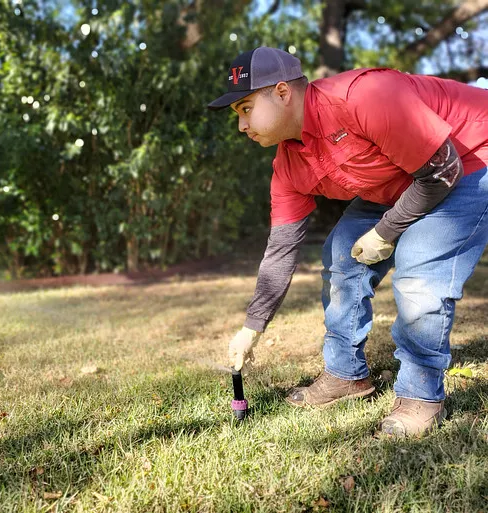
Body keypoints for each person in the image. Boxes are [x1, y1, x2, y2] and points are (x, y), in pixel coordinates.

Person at [208, 46, 488, 437]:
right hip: (405, 177)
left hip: (469, 155)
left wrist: (386, 231)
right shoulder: (288, 164)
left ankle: (421, 397)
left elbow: (441, 170)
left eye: (246, 108)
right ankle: (346, 376)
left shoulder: (364, 97)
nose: (241, 125)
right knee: (342, 254)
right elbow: (281, 250)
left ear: (283, 92)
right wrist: (252, 327)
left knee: (419, 271)